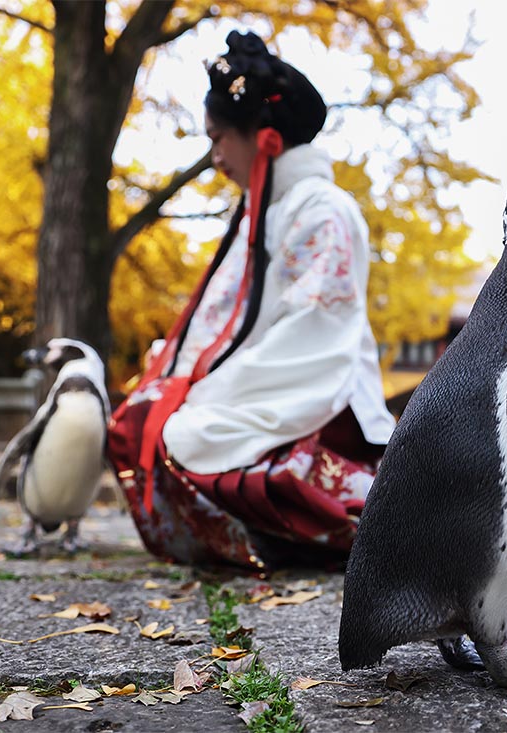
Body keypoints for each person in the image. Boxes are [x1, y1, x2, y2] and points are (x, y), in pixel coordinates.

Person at [106, 30, 395, 574]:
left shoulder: (323, 209)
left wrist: (204, 389)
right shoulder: (259, 212)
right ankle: (269, 537)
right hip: (265, 384)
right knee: (151, 418)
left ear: (262, 138)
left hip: (320, 403)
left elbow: (314, 333)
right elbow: (225, 322)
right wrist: (180, 376)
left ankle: (326, 529)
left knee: (183, 431)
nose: (215, 157)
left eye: (219, 139)